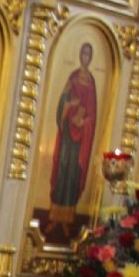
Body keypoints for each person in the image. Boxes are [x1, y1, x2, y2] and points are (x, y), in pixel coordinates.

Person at [47, 42, 99, 242]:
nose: (85, 57)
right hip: (68, 132)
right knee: (63, 167)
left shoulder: (91, 83)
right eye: (83, 53)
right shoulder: (73, 77)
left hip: (81, 136)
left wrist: (85, 121)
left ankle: (67, 219)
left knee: (73, 173)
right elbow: (62, 103)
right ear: (79, 55)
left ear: (91, 58)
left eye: (88, 54)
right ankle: (54, 216)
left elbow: (92, 114)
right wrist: (70, 105)